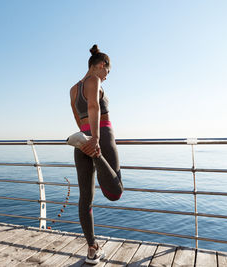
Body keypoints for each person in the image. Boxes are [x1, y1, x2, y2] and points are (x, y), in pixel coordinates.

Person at [67, 44, 123, 264]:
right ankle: (97, 156)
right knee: (116, 190)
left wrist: (86, 139)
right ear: (100, 65)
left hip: (81, 141)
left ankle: (92, 249)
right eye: (107, 72)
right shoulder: (94, 81)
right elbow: (93, 107)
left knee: (85, 198)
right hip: (100, 137)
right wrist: (96, 141)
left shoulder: (73, 89)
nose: (106, 78)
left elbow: (77, 117)